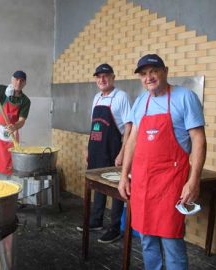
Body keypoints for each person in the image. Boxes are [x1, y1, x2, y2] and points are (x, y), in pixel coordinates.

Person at [118, 54, 206, 269]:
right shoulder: (141, 101)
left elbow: (198, 139)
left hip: (171, 182)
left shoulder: (185, 97)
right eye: (144, 74)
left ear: (165, 71)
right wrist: (124, 177)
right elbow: (131, 141)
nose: (149, 77)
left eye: (153, 71)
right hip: (142, 182)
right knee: (146, 238)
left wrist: (193, 180)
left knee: (171, 239)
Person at [76, 63, 132, 244]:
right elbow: (95, 125)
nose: (102, 79)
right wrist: (88, 148)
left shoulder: (121, 97)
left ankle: (115, 228)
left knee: (117, 189)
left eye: (106, 76)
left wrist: (123, 152)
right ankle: (96, 221)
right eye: (98, 77)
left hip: (114, 150)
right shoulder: (97, 98)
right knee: (97, 186)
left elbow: (129, 127)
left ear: (113, 77)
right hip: (96, 149)